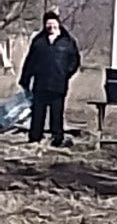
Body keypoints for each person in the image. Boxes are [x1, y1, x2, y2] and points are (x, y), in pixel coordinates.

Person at [19, 10, 80, 147]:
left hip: (58, 84)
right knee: (38, 113)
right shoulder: (38, 41)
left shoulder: (68, 41)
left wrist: (66, 73)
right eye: (48, 24)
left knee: (56, 114)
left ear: (58, 24)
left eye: (53, 23)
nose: (51, 26)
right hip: (40, 84)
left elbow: (75, 61)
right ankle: (35, 138)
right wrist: (25, 79)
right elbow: (30, 62)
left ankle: (57, 138)